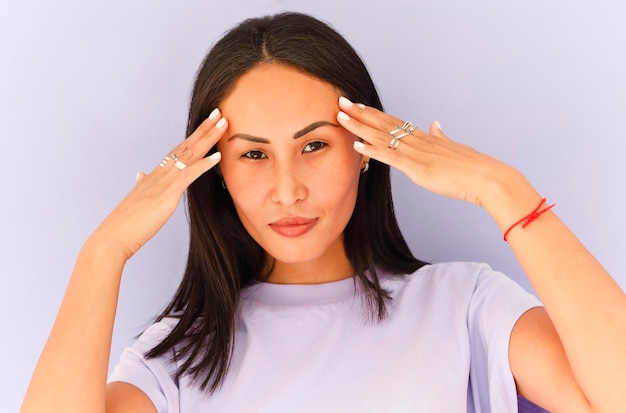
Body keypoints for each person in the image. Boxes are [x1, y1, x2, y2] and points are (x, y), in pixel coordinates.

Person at [21, 12, 626, 413]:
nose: (288, 191)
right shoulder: (175, 360)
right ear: (217, 174)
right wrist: (104, 252)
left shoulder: (464, 304)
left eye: (314, 146)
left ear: (364, 152)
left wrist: (502, 187)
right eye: (253, 154)